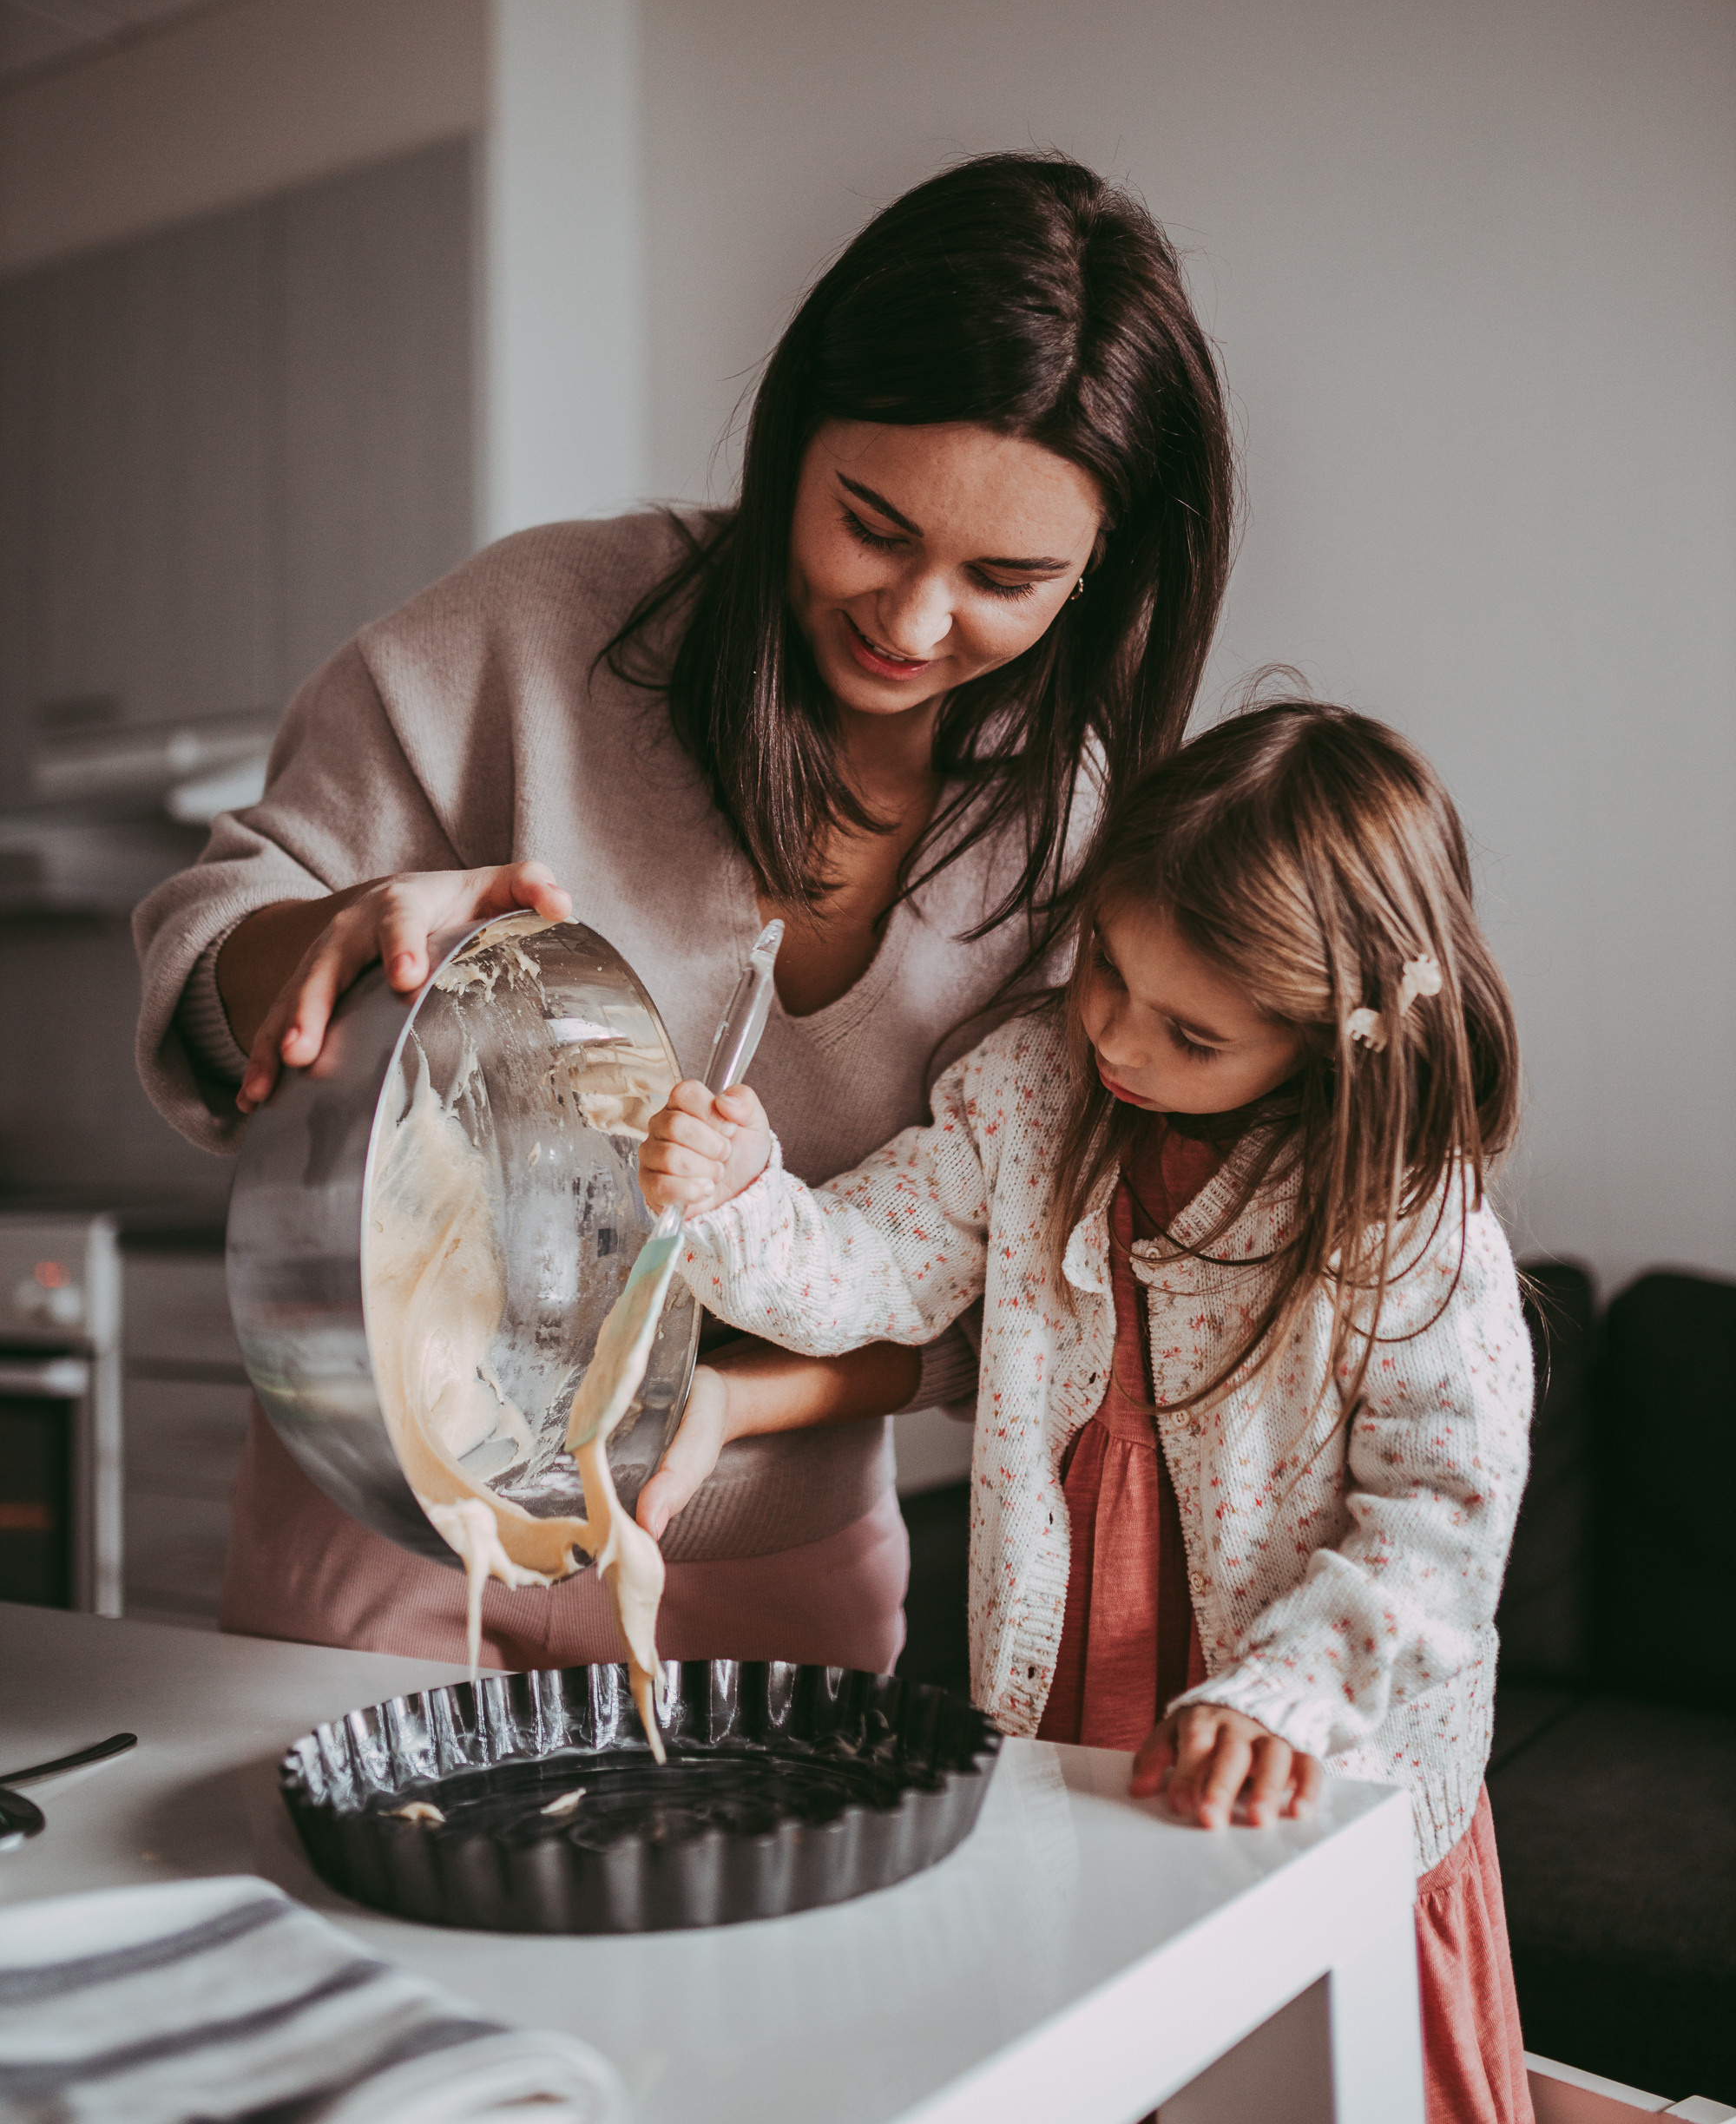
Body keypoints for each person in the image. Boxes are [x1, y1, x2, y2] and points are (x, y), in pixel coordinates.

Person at [134, 151, 1237, 1675]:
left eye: (1003, 575)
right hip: (389, 1539)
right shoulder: (539, 629)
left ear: (1101, 571)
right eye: (871, 521)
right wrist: (325, 938)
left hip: (780, 1576)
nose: (914, 623)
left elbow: (1010, 1288)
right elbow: (215, 929)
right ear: (794, 439)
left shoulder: (1086, 844)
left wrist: (729, 1408)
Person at [641, 700, 1535, 2124]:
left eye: (1192, 1032)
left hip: (1304, 1756)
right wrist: (743, 1199)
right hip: (1070, 1707)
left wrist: (1289, 1690)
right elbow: (871, 1268)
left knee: (1303, 2080)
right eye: (1105, 967)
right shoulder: (1026, 1091)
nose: (1115, 1033)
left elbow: (1443, 1525)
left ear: (1327, 1046)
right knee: (1097, 2046)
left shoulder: (1401, 1217)